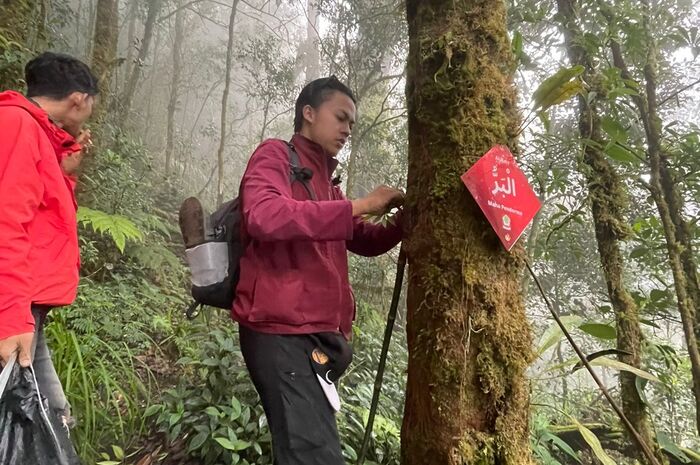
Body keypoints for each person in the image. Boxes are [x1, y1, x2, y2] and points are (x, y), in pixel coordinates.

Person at [233, 76, 404, 464]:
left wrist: (405, 221)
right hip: (281, 334)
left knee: (305, 452)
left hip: (316, 340)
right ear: (308, 113)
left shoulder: (326, 181)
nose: (347, 129)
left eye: (352, 123)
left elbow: (362, 238)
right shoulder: (275, 157)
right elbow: (263, 215)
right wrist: (360, 204)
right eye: (340, 117)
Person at [0, 51, 98, 427]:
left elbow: (43, 210)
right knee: (35, 418)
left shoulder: (32, 131)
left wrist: (65, 171)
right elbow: (7, 219)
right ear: (79, 99)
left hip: (28, 298)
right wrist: (10, 313)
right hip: (15, 299)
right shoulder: (17, 125)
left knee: (52, 414)